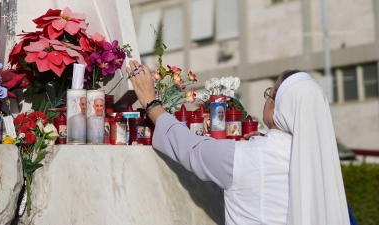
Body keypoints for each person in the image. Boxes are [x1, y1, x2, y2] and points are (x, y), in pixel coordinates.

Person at [127, 60, 350, 225]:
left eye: (269, 95)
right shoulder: (321, 165)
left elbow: (189, 147)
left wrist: (151, 102)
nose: (267, 101)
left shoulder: (246, 157)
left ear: (278, 107)